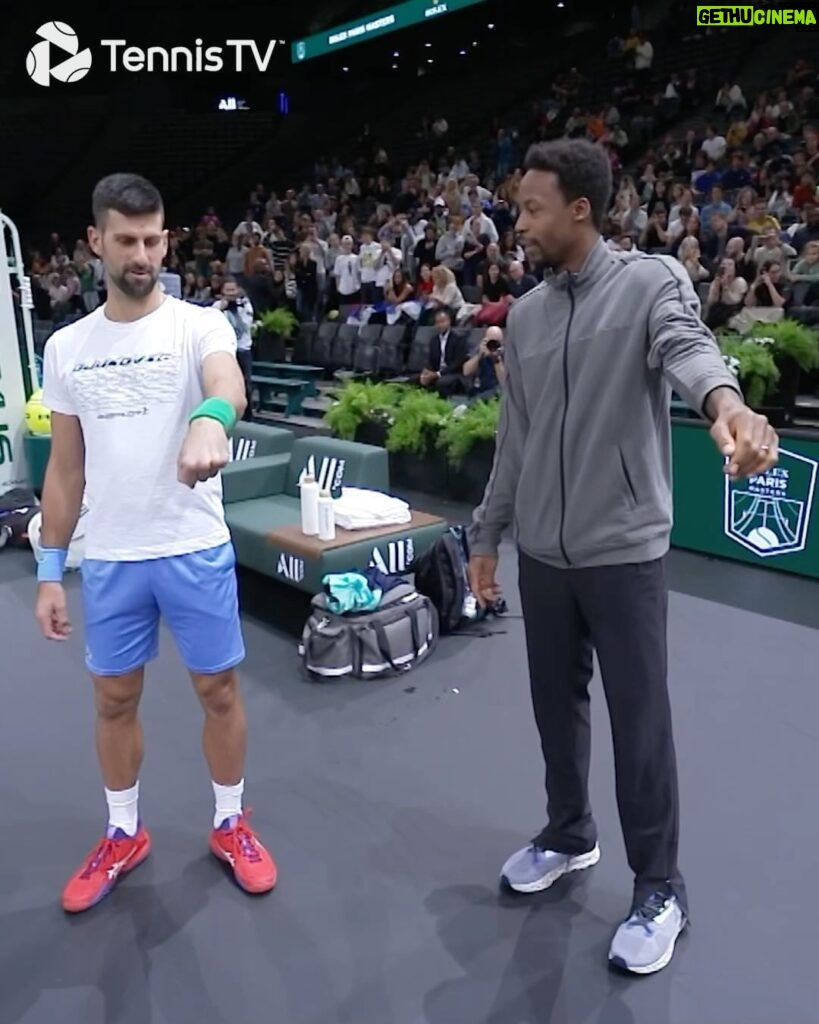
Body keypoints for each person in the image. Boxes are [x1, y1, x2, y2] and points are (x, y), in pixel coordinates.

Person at [466, 140, 778, 975]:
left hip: (623, 552)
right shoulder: (526, 315)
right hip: (543, 551)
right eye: (516, 207)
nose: (518, 223)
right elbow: (516, 439)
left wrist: (727, 407)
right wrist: (486, 536)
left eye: (532, 208)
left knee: (640, 726)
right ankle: (568, 835)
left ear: (579, 210)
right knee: (553, 709)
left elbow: (689, 350)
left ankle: (660, 887)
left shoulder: (648, 283)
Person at [35, 172, 277, 913]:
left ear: (165, 240)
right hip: (110, 556)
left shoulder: (197, 324)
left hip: (192, 546)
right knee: (113, 701)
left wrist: (209, 416)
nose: (141, 254)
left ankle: (231, 820)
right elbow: (65, 471)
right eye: (126, 240)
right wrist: (50, 569)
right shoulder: (67, 348)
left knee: (218, 690)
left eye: (152, 239)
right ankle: (123, 832)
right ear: (96, 242)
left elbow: (226, 383)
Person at [213, 276, 254, 421]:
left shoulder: (245, 305)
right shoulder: (217, 306)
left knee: (246, 382)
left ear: (238, 290)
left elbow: (246, 326)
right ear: (222, 291)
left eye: (233, 289)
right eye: (227, 290)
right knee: (227, 382)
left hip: (243, 348)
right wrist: (222, 309)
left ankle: (248, 416)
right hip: (226, 349)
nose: (231, 293)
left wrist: (236, 311)